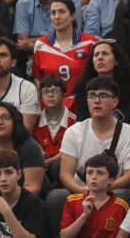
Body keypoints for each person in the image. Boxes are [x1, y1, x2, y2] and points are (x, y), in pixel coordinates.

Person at [47, 77, 130, 237]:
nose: (96, 100)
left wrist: (103, 188)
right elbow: (65, 173)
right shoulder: (74, 131)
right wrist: (83, 190)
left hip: (114, 188)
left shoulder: (128, 133)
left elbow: (128, 175)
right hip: (81, 188)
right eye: (92, 96)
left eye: (103, 96)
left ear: (115, 102)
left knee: (120, 197)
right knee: (56, 197)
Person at [33, 0, 98, 95]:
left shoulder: (90, 42)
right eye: (53, 13)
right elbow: (38, 78)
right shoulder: (40, 45)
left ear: (73, 16)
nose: (57, 17)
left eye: (62, 12)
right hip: (52, 105)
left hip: (81, 104)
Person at [0, 149, 45, 238]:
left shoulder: (33, 203)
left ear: (19, 174)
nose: (3, 178)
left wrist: (6, 211)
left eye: (9, 172)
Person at [60, 154, 127, 238]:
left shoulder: (121, 206)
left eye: (100, 173)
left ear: (111, 180)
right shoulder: (72, 201)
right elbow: (64, 236)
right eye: (89, 172)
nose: (93, 177)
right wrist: (84, 215)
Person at [73, 39, 130, 121]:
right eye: (96, 55)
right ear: (92, 63)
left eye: (105, 54)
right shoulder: (82, 89)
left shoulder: (127, 87)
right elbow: (82, 121)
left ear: (116, 61)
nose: (100, 57)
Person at [33, 76, 75, 179]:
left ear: (64, 96)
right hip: (40, 168)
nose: (50, 95)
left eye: (55, 91)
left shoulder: (73, 121)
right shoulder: (35, 120)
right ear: (40, 96)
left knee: (56, 167)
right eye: (46, 91)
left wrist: (48, 162)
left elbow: (71, 151)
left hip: (66, 169)